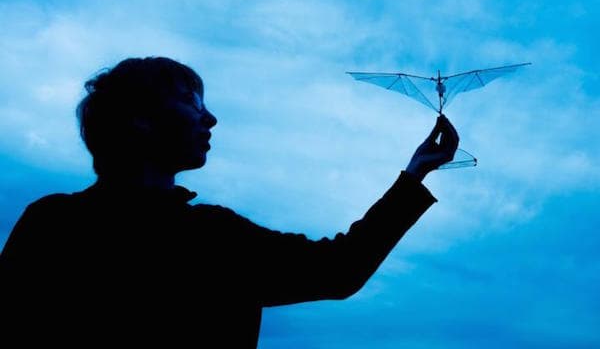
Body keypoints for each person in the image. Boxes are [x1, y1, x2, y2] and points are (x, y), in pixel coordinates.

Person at [0, 57, 458, 347]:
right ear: (138, 121)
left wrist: (415, 174)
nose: (211, 117)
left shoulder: (50, 221)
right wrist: (413, 177)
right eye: (190, 101)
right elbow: (340, 270)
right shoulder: (210, 236)